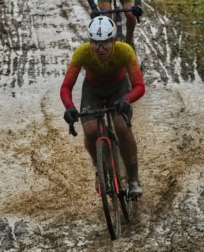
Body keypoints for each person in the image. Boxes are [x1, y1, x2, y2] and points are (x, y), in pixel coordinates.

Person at [60, 16, 145, 197]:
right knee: (90, 130)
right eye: (96, 43)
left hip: (118, 89)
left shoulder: (125, 51)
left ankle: (133, 179)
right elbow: (66, 87)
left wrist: (127, 99)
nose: (101, 48)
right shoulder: (82, 53)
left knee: (122, 127)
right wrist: (69, 107)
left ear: (114, 40)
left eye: (106, 42)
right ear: (90, 42)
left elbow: (139, 86)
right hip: (93, 91)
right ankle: (100, 169)